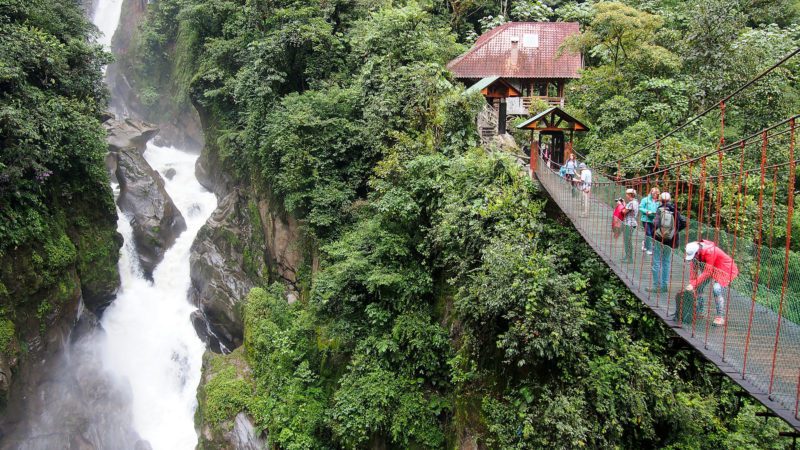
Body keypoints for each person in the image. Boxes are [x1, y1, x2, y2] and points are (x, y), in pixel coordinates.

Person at [684, 240, 740, 326]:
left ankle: (720, 317)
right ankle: (699, 311)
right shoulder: (694, 253)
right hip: (711, 268)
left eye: (693, 256)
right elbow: (693, 270)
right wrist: (692, 284)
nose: (693, 258)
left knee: (716, 289)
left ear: (697, 252)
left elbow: (707, 272)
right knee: (698, 287)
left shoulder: (710, 251)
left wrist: (693, 284)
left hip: (725, 270)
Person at [646, 192, 686, 294]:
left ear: (660, 199)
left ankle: (656, 286)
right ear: (669, 199)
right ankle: (664, 286)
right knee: (666, 262)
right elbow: (683, 223)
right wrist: (674, 232)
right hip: (670, 241)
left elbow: (655, 224)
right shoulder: (675, 210)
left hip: (659, 239)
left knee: (656, 262)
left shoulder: (659, 209)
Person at [639, 187, 660, 255]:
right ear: (651, 192)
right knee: (648, 233)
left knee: (653, 233)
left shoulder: (659, 202)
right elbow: (640, 207)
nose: (655, 195)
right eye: (653, 193)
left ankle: (644, 243)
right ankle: (649, 249)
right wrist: (646, 211)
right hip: (646, 219)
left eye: (656, 194)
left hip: (654, 220)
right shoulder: (645, 199)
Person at [621, 188, 639, 263]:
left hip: (630, 224)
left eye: (627, 194)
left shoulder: (632, 203)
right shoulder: (634, 202)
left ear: (630, 195)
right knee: (626, 240)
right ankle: (627, 256)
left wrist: (620, 205)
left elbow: (624, 212)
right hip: (630, 223)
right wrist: (624, 204)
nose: (626, 195)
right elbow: (627, 209)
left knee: (628, 241)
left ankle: (630, 258)